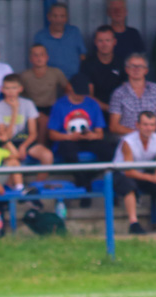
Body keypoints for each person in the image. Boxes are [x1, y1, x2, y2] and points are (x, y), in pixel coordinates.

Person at [48, 73, 115, 201]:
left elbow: (100, 133)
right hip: (67, 140)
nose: (81, 96)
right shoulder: (60, 105)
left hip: (88, 140)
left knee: (109, 151)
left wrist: (92, 135)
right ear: (70, 88)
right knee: (68, 152)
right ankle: (84, 184)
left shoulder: (92, 104)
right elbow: (52, 134)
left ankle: (86, 179)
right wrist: (69, 137)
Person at [113, 111, 156, 234]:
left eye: (152, 125)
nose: (149, 128)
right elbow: (128, 171)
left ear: (155, 126)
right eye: (145, 124)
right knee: (129, 186)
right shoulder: (127, 142)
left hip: (142, 171)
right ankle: (133, 223)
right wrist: (151, 178)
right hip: (122, 173)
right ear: (137, 125)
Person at [0, 74, 53, 188]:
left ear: (20, 89)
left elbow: (33, 133)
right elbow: (5, 136)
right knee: (13, 158)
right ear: (2, 89)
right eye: (7, 88)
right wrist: (14, 111)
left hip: (24, 139)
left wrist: (24, 146)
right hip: (6, 143)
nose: (11, 91)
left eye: (14, 88)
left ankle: (36, 187)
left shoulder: (28, 104)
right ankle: (12, 189)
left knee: (47, 155)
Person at [19, 44, 68, 146]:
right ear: (31, 59)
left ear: (47, 57)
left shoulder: (56, 72)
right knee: (43, 120)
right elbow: (19, 96)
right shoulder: (24, 76)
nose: (39, 58)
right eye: (35, 55)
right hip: (33, 109)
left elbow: (68, 90)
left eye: (41, 55)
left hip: (52, 108)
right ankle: (41, 148)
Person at [79, 25, 125, 125]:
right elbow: (88, 96)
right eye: (100, 41)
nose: (104, 44)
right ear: (95, 42)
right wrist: (109, 108)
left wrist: (116, 110)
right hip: (95, 110)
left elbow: (127, 91)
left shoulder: (122, 63)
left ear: (114, 42)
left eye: (108, 40)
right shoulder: (87, 64)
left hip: (119, 112)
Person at [33, 3, 87, 79]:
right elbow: (36, 59)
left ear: (66, 18)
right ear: (48, 17)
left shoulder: (74, 32)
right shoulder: (40, 36)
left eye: (62, 16)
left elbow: (82, 56)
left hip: (74, 78)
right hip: (50, 80)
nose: (58, 20)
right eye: (55, 16)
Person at [106, 0, 145, 65]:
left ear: (126, 12)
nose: (117, 12)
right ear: (108, 12)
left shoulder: (134, 34)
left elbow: (141, 59)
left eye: (121, 9)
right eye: (114, 9)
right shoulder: (102, 35)